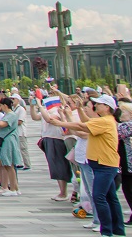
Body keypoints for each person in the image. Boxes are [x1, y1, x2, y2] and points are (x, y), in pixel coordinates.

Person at [48, 94, 125, 237]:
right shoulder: (103, 120)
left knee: (99, 196)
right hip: (103, 164)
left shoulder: (105, 121)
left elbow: (80, 126)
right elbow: (86, 121)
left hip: (105, 165)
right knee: (110, 197)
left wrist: (60, 123)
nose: (96, 106)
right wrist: (79, 109)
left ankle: (107, 230)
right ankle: (118, 229)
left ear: (107, 107)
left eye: (99, 104)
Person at [0, 96, 22, 195]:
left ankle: (13, 189)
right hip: (5, 140)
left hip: (9, 141)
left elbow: (1, 124)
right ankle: (16, 188)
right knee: (8, 165)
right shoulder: (8, 114)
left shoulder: (11, 115)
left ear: (5, 105)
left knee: (9, 165)